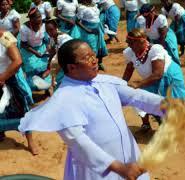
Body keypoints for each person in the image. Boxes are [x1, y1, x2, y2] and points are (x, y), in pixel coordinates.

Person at [19, 39, 166, 180]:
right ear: (72, 67)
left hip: (128, 155)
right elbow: (78, 142)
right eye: (87, 58)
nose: (95, 60)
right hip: (98, 169)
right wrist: (118, 167)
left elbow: (136, 96)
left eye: (93, 55)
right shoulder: (63, 100)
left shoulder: (105, 82)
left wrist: (166, 105)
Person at [122, 28, 185, 131]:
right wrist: (122, 84)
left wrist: (138, 85)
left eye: (131, 43)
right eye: (128, 43)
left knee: (169, 104)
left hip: (168, 76)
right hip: (151, 78)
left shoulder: (155, 50)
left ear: (141, 41)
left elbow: (158, 74)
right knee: (138, 97)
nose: (129, 45)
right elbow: (129, 69)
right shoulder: (130, 52)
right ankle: (146, 124)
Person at [0, 30, 37, 155]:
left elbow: (18, 61)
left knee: (21, 111)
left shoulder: (5, 37)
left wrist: (2, 78)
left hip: (8, 79)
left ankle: (30, 141)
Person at [20, 8, 51, 91]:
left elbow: (45, 38)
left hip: (41, 48)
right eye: (36, 18)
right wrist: (35, 53)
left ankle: (46, 86)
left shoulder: (44, 25)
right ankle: (34, 87)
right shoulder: (24, 28)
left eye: (40, 16)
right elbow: (23, 44)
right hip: (28, 51)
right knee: (32, 69)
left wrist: (48, 47)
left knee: (45, 67)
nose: (39, 19)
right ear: (31, 19)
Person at [77, 0, 108, 71]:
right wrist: (88, 30)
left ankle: (99, 63)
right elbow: (77, 21)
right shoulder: (82, 8)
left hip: (98, 28)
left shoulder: (94, 5)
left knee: (101, 45)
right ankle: (90, 66)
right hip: (88, 29)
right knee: (92, 48)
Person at [45, 19, 72, 89]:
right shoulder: (52, 38)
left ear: (56, 28)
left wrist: (52, 69)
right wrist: (49, 64)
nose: (49, 32)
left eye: (51, 29)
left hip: (69, 61)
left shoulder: (64, 38)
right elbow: (53, 52)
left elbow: (63, 55)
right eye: (47, 30)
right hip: (62, 61)